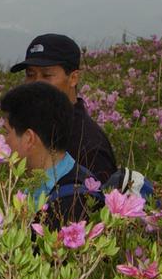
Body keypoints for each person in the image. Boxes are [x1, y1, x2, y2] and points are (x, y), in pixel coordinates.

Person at [10, 33, 117, 182]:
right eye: (30, 74)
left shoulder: (89, 144)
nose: (35, 83)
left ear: (73, 78)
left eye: (46, 75)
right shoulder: (38, 129)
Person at [0, 81, 103, 228]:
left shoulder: (70, 204)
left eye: (7, 132)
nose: (3, 141)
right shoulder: (69, 180)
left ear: (29, 138)